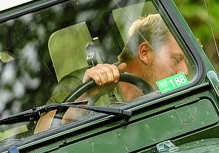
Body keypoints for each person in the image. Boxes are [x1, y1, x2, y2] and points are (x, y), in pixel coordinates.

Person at [37, 14, 190, 130]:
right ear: (144, 52)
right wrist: (89, 95)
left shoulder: (171, 93)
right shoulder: (81, 83)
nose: (185, 71)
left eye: (186, 62)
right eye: (176, 59)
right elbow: (42, 133)